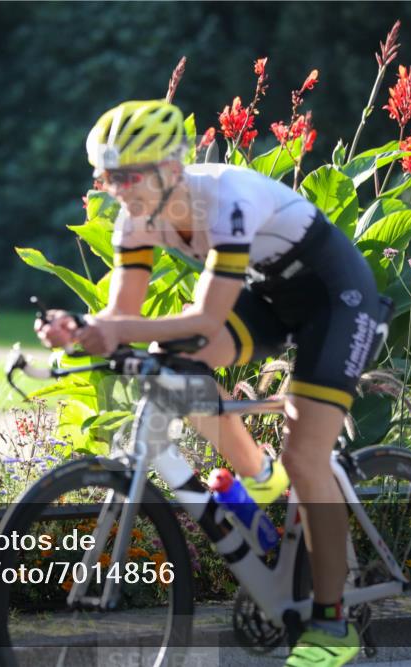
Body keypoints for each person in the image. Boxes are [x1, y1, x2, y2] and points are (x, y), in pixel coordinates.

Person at [36, 99, 382, 667]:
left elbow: (203, 320)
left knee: (307, 456)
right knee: (170, 365)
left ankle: (333, 624)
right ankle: (259, 479)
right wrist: (82, 331)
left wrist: (110, 327)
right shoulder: (135, 217)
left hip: (333, 298)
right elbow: (124, 316)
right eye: (105, 176)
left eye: (125, 175)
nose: (114, 189)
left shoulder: (225, 200)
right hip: (268, 297)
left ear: (170, 169)